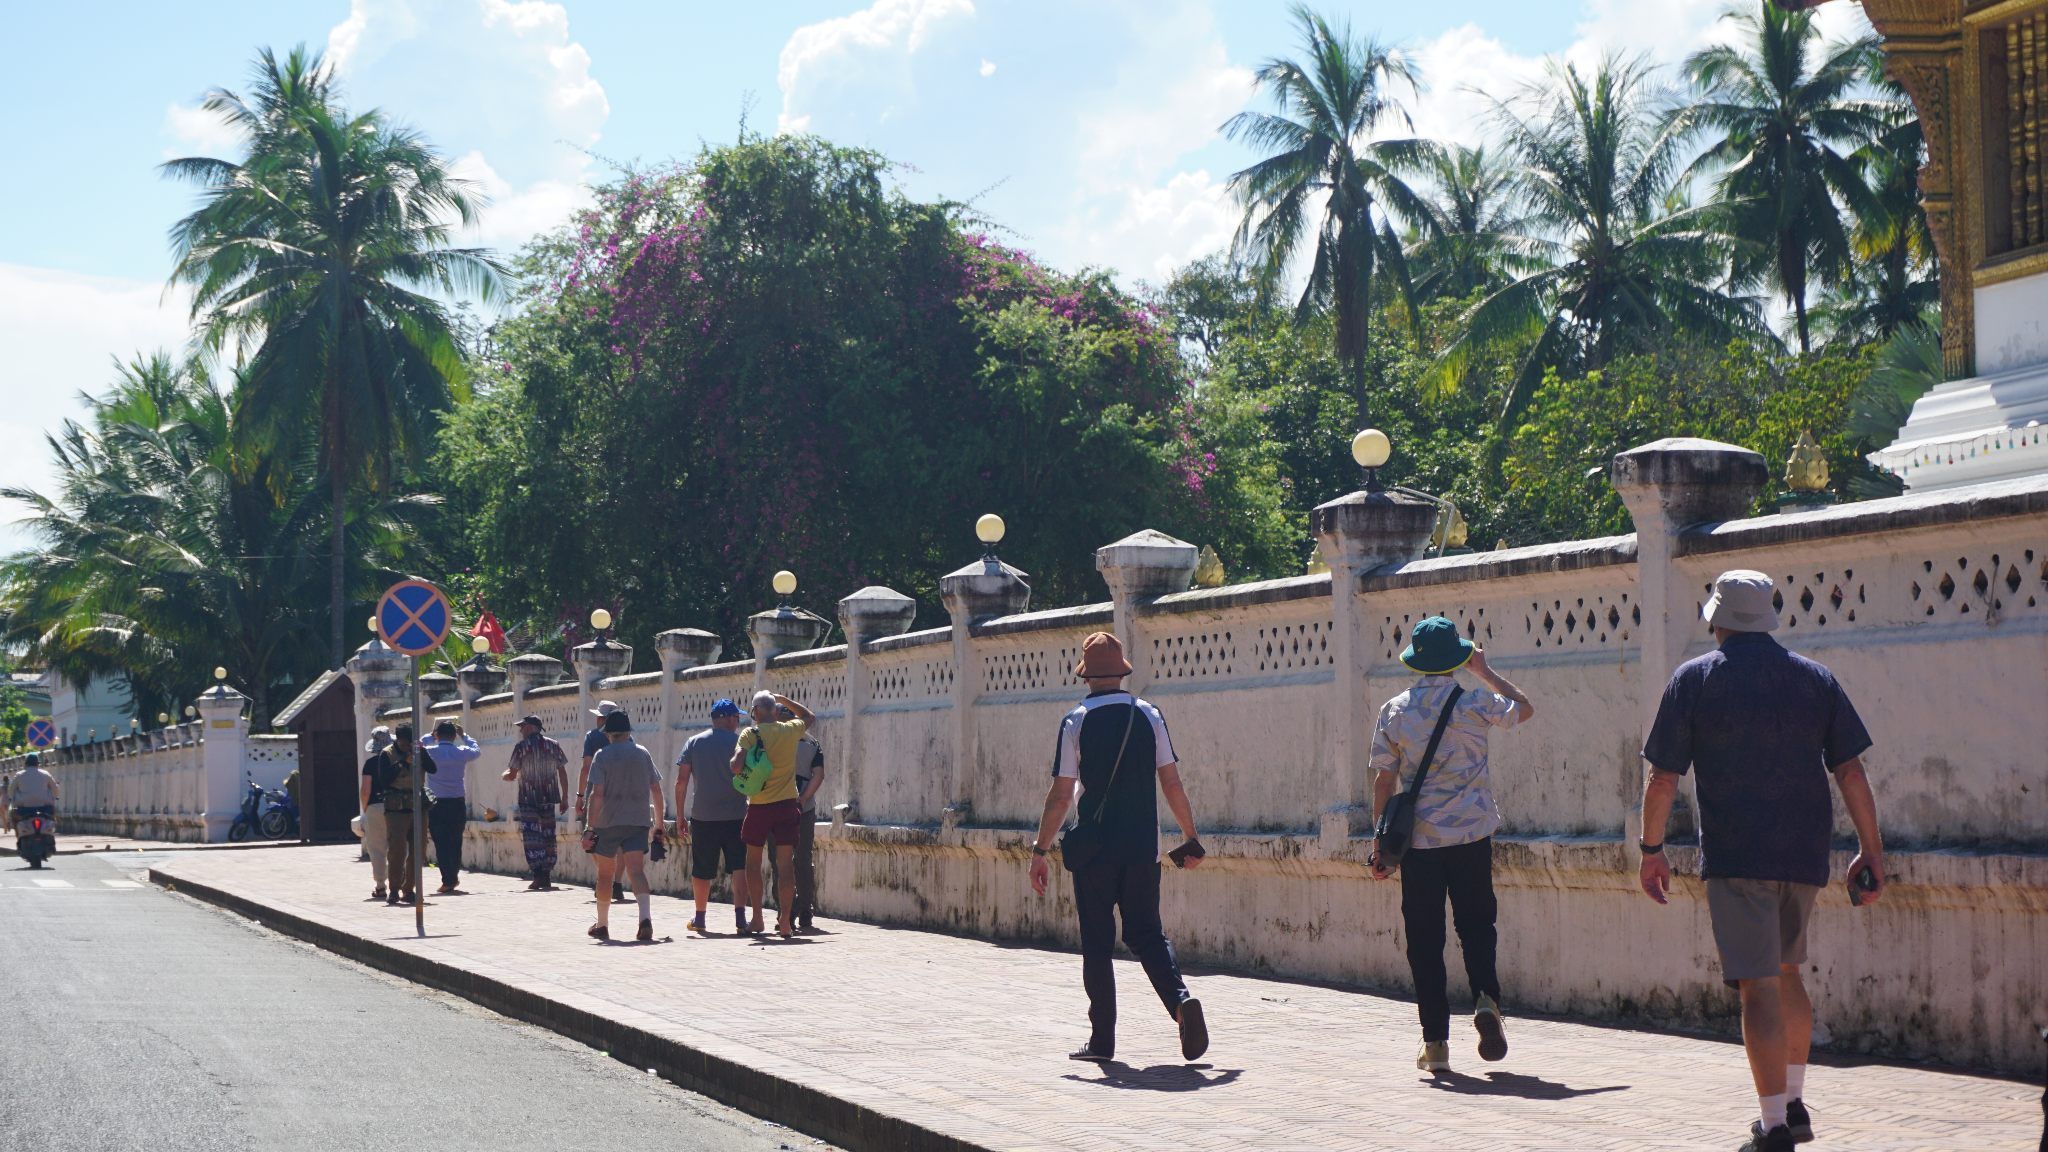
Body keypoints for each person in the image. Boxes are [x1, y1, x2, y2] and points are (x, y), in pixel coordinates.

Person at [1639, 570, 1885, 1152]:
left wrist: (1651, 851)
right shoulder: (1814, 679)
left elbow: (1663, 779)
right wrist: (1870, 850)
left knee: (1757, 989)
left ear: (1717, 619)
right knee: (1788, 972)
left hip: (1737, 852)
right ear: (1768, 617)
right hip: (1803, 851)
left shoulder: (1695, 680)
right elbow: (1850, 770)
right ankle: (1794, 1104)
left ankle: (1774, 1127)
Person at [1027, 631, 1208, 1065]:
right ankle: (1180, 1002)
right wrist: (1191, 837)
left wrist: (1040, 849)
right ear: (1123, 671)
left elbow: (1060, 793)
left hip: (1095, 850)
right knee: (1147, 933)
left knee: (1097, 940)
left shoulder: (1076, 720)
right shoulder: (1148, 714)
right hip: (1143, 845)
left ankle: (1102, 1040)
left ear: (1086, 676)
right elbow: (1172, 783)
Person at [1365, 616, 1534, 1074]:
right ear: (1456, 658)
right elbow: (1524, 708)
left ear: (1417, 662)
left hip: (1418, 844)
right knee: (1477, 927)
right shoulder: (1476, 701)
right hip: (1472, 836)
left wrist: (1379, 840)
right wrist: (1483, 670)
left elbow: (1384, 779)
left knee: (1425, 941)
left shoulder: (1395, 710)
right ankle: (1485, 1001)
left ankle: (1435, 1042)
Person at [729, 690, 815, 939]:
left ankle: (757, 918)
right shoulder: (790, 730)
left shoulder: (750, 733)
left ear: (755, 712)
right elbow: (809, 716)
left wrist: (738, 761)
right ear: (775, 711)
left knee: (753, 864)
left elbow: (736, 766)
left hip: (759, 805)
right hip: (787, 804)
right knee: (786, 864)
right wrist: (784, 700)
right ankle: (786, 921)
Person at [583, 709, 665, 942]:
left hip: (608, 823)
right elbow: (656, 790)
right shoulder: (642, 753)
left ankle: (602, 924)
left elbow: (597, 795)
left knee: (606, 875)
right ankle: (645, 919)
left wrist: (590, 826)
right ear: (628, 731)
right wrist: (659, 824)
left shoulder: (602, 756)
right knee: (636, 871)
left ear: (608, 734)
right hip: (638, 821)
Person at [673, 699, 752, 935]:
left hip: (703, 816)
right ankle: (740, 919)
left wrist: (679, 815)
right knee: (739, 866)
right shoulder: (740, 743)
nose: (738, 723)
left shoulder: (694, 742)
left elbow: (681, 782)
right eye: (736, 718)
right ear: (727, 719)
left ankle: (700, 918)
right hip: (737, 814)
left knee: (702, 868)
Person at [767, 705, 827, 933]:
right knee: (803, 858)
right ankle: (805, 910)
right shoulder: (812, 742)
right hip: (804, 807)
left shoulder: (770, 738)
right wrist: (803, 799)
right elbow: (819, 775)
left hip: (775, 804)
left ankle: (785, 912)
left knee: (779, 860)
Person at [369, 724, 437, 907]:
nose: (408, 746)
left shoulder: (418, 750)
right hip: (396, 809)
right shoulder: (387, 754)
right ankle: (393, 889)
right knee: (397, 851)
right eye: (406, 743)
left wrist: (422, 753)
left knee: (419, 849)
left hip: (418, 806)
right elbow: (384, 780)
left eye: (411, 743)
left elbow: (432, 769)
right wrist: (403, 762)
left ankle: (409, 889)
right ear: (398, 740)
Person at [503, 714, 570, 890]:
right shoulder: (553, 745)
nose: (521, 730)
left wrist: (505, 776)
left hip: (528, 798)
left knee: (532, 836)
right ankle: (546, 874)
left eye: (522, 726)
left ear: (530, 727)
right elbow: (562, 772)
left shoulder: (521, 747)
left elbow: (511, 774)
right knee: (548, 835)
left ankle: (538, 874)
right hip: (549, 797)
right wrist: (565, 797)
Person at [420, 720, 481, 894]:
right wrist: (465, 736)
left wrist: (429, 737)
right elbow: (476, 751)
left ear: (437, 735)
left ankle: (448, 879)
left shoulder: (430, 751)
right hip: (456, 801)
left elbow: (417, 746)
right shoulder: (461, 752)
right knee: (455, 840)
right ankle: (452, 877)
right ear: (454, 736)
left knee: (441, 842)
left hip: (436, 803)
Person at [578, 699, 627, 902]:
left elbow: (586, 767)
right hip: (621, 794)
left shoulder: (592, 737)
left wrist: (580, 796)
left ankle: (605, 877)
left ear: (602, 719)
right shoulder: (627, 738)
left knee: (591, 838)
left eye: (599, 716)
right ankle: (616, 882)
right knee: (621, 842)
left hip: (596, 793)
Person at [358, 727, 394, 900]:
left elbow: (365, 790)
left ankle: (380, 885)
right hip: (396, 806)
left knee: (377, 848)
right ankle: (400, 881)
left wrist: (365, 810)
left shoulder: (370, 764)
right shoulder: (397, 761)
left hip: (375, 807)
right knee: (399, 846)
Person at [5, 752, 60, 836]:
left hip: (24, 809)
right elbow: (55, 791)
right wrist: (55, 796)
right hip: (45, 808)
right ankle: (51, 833)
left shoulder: (19, 775)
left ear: (26, 764)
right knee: (53, 816)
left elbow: (10, 791)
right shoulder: (46, 774)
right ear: (38, 764)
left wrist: (12, 797)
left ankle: (18, 836)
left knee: (14, 817)